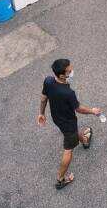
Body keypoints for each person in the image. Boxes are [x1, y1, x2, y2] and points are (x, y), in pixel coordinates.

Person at [37, 58, 102, 190]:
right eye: (69, 71)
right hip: (68, 122)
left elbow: (44, 98)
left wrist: (41, 113)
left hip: (57, 118)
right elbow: (78, 109)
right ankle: (60, 179)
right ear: (62, 75)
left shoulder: (48, 81)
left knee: (72, 131)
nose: (72, 71)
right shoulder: (68, 93)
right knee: (68, 150)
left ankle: (84, 140)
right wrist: (93, 111)